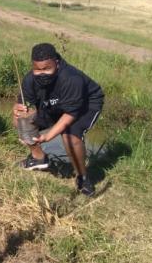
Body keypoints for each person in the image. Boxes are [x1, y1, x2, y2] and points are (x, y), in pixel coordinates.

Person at [12, 43, 105, 197]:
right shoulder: (29, 80)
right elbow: (21, 105)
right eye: (37, 69)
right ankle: (38, 158)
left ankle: (82, 177)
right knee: (21, 120)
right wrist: (17, 112)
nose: (42, 73)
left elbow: (70, 115)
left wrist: (48, 136)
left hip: (85, 105)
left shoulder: (71, 78)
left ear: (56, 62)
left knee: (70, 135)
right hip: (55, 103)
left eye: (47, 69)